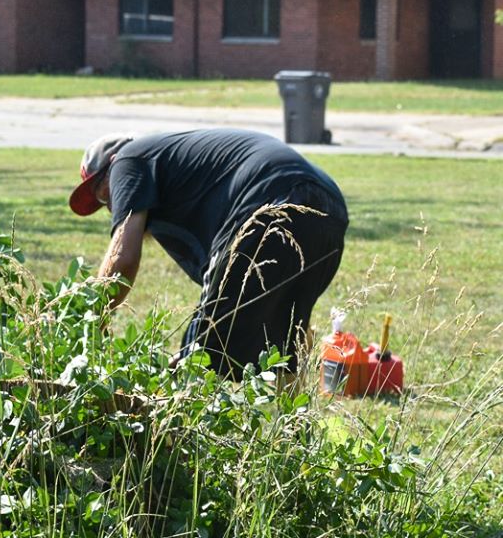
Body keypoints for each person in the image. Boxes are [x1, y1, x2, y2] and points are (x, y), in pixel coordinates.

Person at [69, 129, 348, 379]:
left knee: (198, 356)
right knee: (283, 340)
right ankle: (290, 432)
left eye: (104, 196)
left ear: (111, 166)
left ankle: (176, 435)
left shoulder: (129, 160)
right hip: (329, 210)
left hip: (271, 196)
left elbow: (122, 260)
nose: (110, 209)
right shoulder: (177, 169)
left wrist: (90, 317)